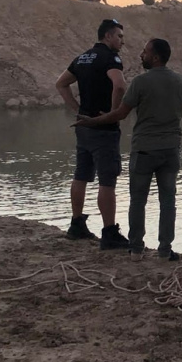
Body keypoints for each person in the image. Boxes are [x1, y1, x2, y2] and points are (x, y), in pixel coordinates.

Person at [73, 38, 182, 260]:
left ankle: (135, 249)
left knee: (138, 200)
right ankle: (165, 251)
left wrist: (93, 121)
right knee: (168, 201)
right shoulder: (180, 81)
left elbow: (120, 114)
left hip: (144, 150)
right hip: (170, 150)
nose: (141, 55)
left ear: (156, 57)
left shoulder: (141, 82)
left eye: (145, 52)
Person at [55, 19, 131, 250]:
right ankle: (109, 232)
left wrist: (77, 109)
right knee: (107, 180)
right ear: (108, 36)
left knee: (81, 175)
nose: (122, 41)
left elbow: (61, 84)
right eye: (119, 36)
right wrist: (113, 113)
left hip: (83, 125)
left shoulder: (83, 57)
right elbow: (120, 85)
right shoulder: (110, 58)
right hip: (103, 127)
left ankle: (76, 224)